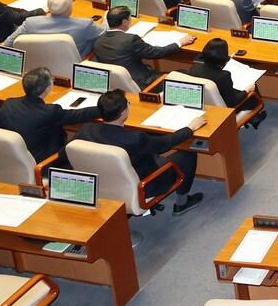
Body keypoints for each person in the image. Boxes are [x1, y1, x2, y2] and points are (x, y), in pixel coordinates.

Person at [72, 89, 206, 214]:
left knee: (149, 150)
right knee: (187, 154)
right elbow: (164, 145)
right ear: (123, 112)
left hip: (101, 183)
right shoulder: (134, 138)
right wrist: (189, 129)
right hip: (144, 185)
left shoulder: (86, 130)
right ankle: (182, 203)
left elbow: (64, 153)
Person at [0, 68, 100, 164]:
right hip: (43, 162)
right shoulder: (50, 111)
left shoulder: (9, 103)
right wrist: (103, 108)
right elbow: (78, 115)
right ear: (47, 89)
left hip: (11, 158)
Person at [93, 5, 190, 88]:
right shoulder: (131, 40)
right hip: (143, 83)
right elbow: (156, 53)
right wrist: (179, 43)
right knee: (184, 74)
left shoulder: (98, 41)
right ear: (124, 22)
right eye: (129, 19)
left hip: (116, 84)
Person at [185, 38, 261, 124]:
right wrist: (247, 90)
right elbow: (233, 102)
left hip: (204, 106)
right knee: (253, 91)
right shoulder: (224, 76)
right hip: (225, 110)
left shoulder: (194, 68)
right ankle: (254, 117)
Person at [6, 0, 104, 57]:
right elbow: (108, 33)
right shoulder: (85, 25)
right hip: (71, 72)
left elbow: (7, 45)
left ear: (48, 7)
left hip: (36, 69)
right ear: (70, 8)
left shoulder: (30, 23)